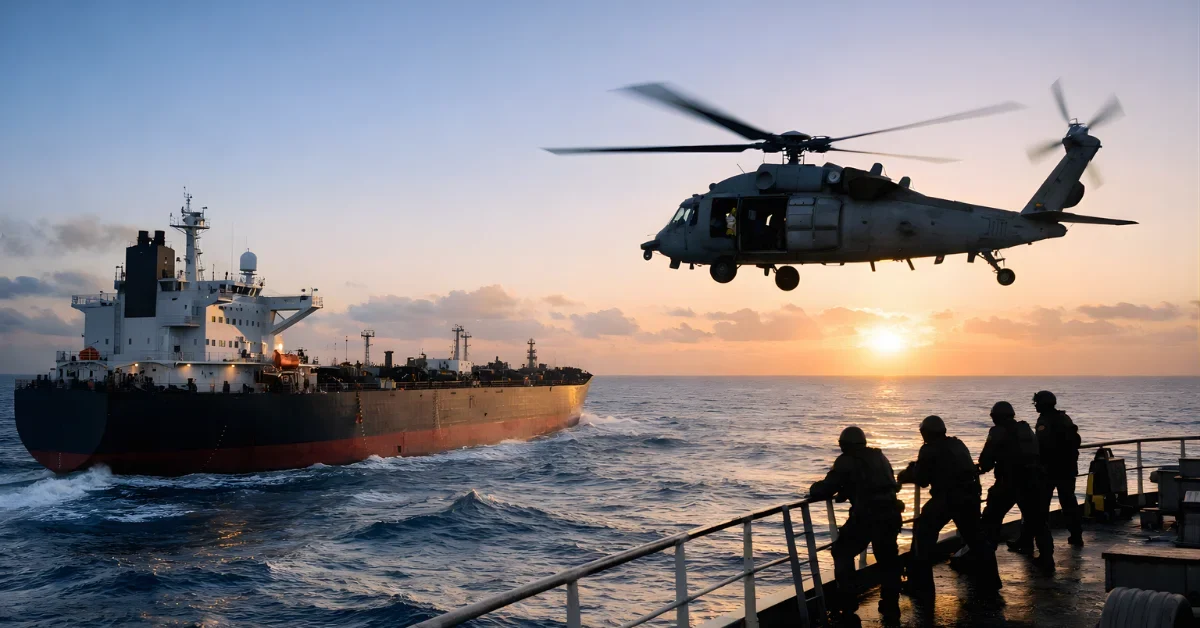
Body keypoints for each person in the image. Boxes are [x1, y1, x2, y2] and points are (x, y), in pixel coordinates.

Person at [898, 416, 1001, 597]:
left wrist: (908, 473)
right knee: (977, 539)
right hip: (970, 497)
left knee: (923, 536)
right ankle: (992, 582)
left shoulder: (929, 449)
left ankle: (922, 587)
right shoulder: (957, 443)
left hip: (948, 499)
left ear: (926, 433)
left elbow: (922, 480)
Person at [808, 426, 902, 624]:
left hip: (867, 516)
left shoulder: (847, 459)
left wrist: (815, 488)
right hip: (891, 513)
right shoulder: (879, 457)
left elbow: (826, 488)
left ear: (844, 445)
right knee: (887, 559)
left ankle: (848, 606)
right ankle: (891, 603)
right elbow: (878, 482)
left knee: (842, 552)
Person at [978, 401, 1054, 568]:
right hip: (1034, 480)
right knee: (1038, 521)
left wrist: (982, 467)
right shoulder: (1025, 428)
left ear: (996, 417)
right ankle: (1047, 559)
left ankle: (984, 559)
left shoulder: (997, 431)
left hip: (1010, 482)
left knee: (991, 519)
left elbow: (986, 462)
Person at [1034, 390, 1084, 547]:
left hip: (1050, 469)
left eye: (1037, 403)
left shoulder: (1045, 421)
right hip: (1068, 468)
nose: (1035, 406)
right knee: (1069, 503)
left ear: (1043, 404)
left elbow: (1042, 445)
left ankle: (1042, 543)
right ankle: (1076, 535)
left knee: (1041, 506)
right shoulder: (1064, 418)